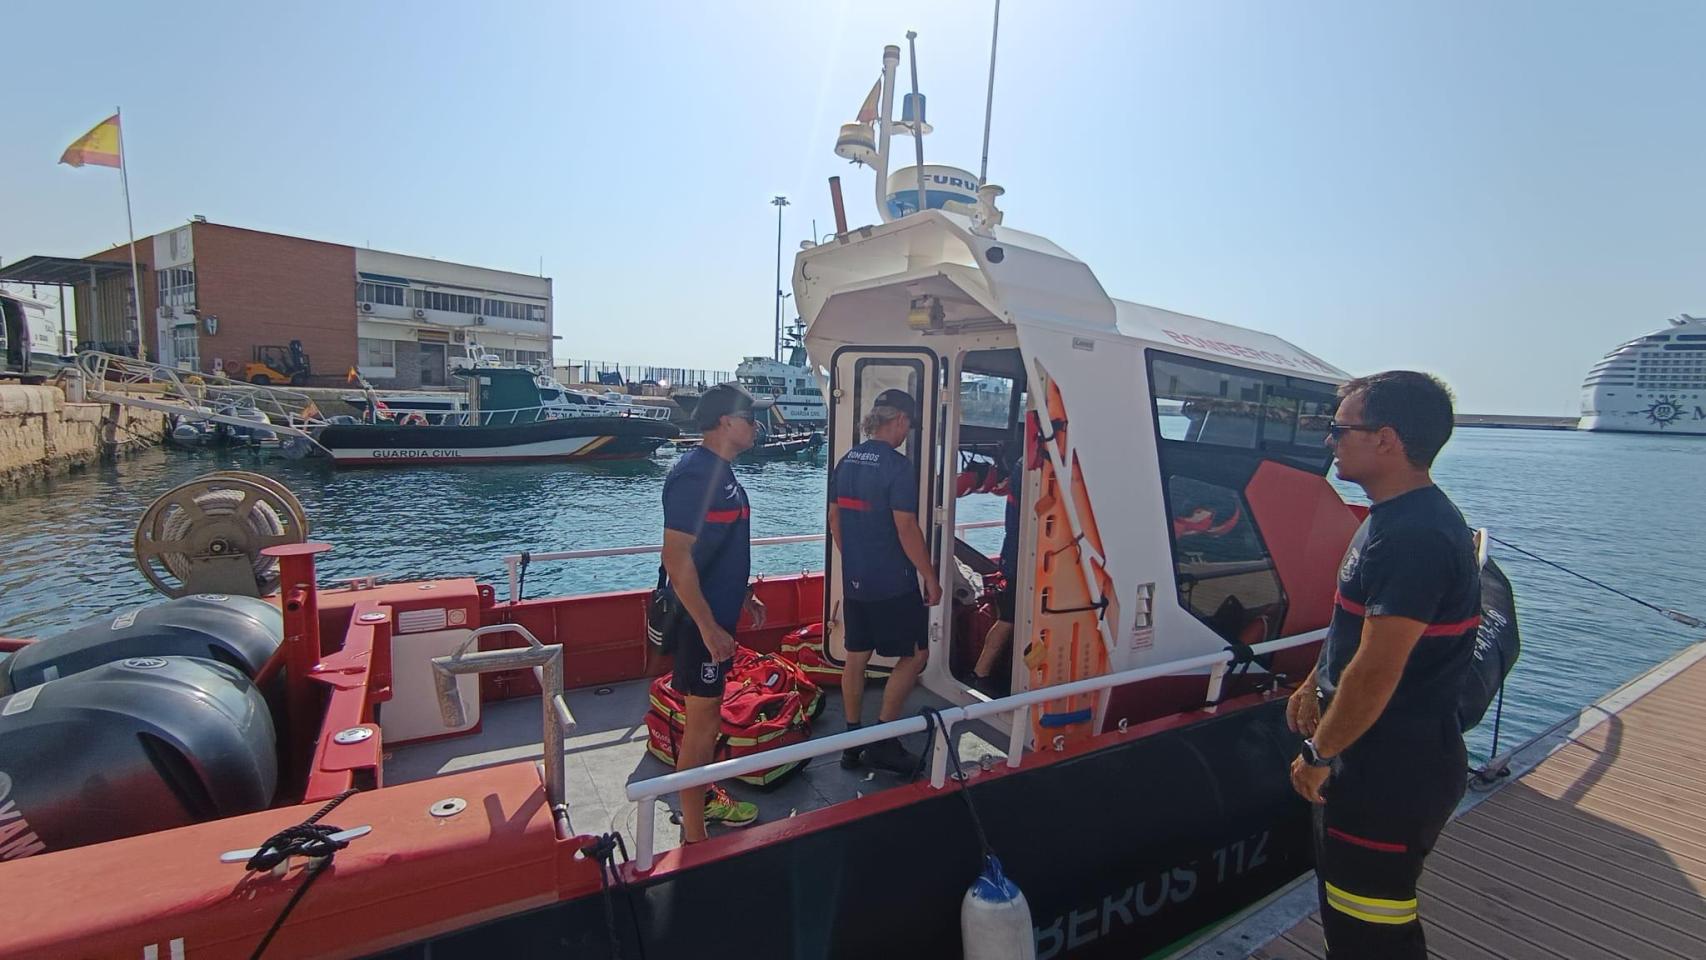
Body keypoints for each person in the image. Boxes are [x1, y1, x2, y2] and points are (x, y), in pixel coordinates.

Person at [1286, 371, 1481, 959]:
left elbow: (1378, 668)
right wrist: (1311, 683)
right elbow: (1354, 624)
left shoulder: (1414, 536)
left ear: (1386, 439)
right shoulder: (1390, 517)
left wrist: (1319, 755)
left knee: (1372, 929)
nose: (1330, 440)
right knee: (1351, 918)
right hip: (1373, 757)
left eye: (1341, 428)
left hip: (1389, 769)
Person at [660, 382, 766, 841]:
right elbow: (676, 556)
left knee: (708, 718)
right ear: (726, 422)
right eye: (751, 418)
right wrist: (708, 628)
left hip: (716, 614)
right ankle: (695, 835)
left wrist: (743, 594)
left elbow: (716, 548)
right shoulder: (695, 476)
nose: (757, 426)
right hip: (697, 622)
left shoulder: (721, 474)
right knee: (702, 725)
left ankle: (701, 800)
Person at [829, 388, 943, 774]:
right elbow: (906, 526)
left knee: (856, 656)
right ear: (899, 420)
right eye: (908, 424)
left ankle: (851, 741)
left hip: (856, 579)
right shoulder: (897, 466)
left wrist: (854, 559)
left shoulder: (846, 461)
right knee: (916, 655)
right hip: (893, 582)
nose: (907, 432)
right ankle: (883, 740)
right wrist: (929, 577)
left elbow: (834, 519)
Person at [970, 452, 1022, 696]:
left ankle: (981, 674)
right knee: (1008, 619)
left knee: (1007, 620)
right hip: (1019, 555)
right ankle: (980, 674)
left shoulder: (1021, 468)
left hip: (1013, 554)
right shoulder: (1028, 469)